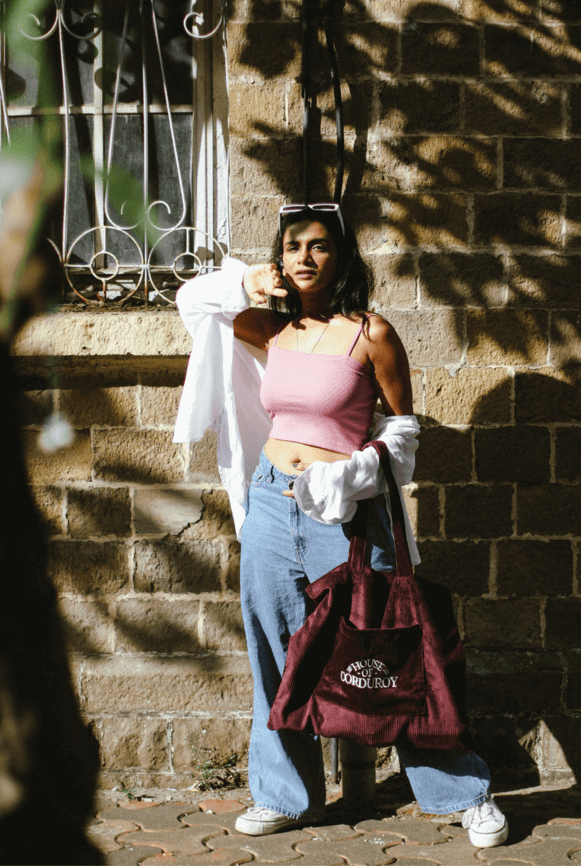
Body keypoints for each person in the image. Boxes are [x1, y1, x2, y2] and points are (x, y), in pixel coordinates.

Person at [173, 204, 508, 850]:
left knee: (389, 649)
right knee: (271, 647)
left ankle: (463, 792)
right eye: (291, 246)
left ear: (342, 258)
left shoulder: (372, 334)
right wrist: (247, 282)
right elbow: (192, 304)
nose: (303, 257)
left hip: (347, 512)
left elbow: (405, 435)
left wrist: (350, 477)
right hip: (272, 502)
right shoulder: (269, 329)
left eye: (318, 246)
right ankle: (285, 796)